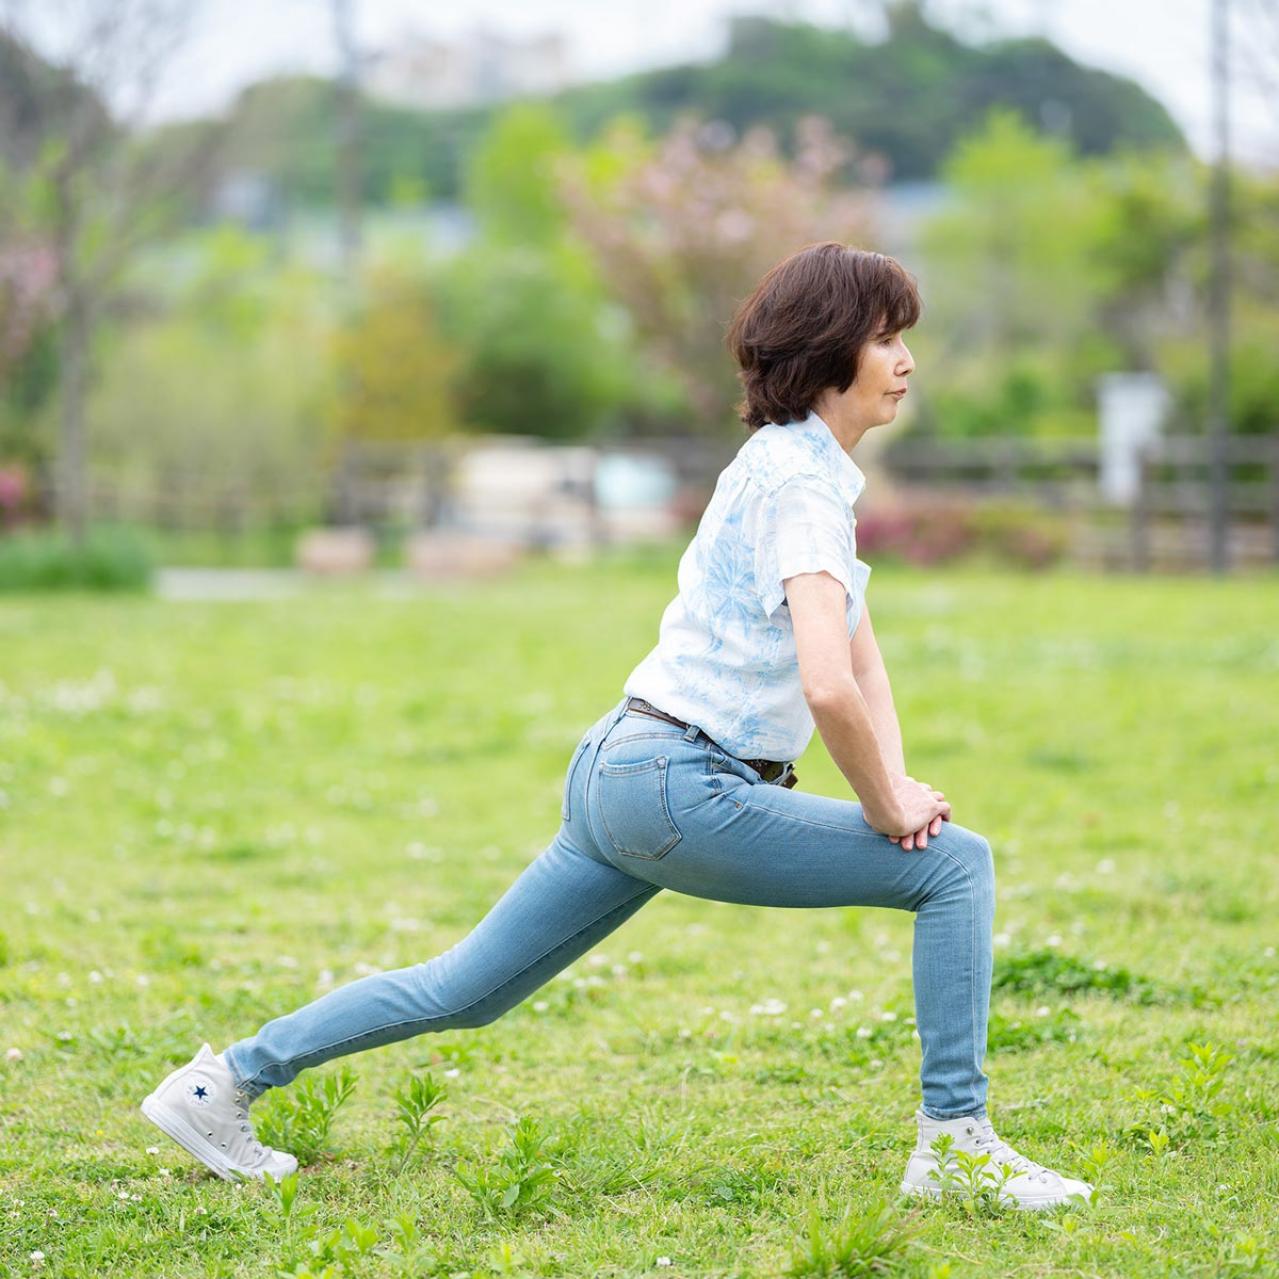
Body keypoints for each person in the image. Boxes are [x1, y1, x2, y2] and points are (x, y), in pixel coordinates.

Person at [140, 241, 1093, 1210]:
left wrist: (898, 786)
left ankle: (225, 1082)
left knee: (464, 989)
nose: (906, 360)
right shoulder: (801, 486)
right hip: (682, 782)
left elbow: (860, 657)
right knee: (953, 865)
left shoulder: (790, 470)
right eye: (887, 338)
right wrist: (889, 805)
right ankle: (955, 1144)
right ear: (827, 349)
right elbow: (827, 686)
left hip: (623, 767)